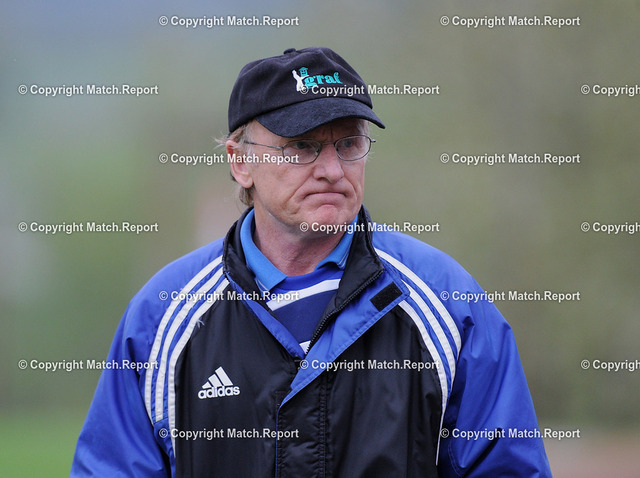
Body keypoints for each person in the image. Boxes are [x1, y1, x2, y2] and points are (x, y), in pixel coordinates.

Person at [71, 47, 552, 477]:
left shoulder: (446, 301)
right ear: (241, 162)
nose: (332, 170)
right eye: (302, 146)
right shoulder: (162, 316)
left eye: (349, 144)